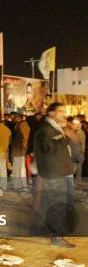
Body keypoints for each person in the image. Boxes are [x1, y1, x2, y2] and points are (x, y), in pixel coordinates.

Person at [33, 103, 76, 248]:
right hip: (54, 172)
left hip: (59, 171)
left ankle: (50, 231)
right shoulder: (45, 129)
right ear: (51, 113)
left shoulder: (53, 127)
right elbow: (48, 149)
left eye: (64, 111)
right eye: (60, 111)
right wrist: (67, 137)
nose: (63, 114)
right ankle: (57, 237)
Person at [10, 112, 30, 190]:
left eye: (13, 117)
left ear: (17, 118)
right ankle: (21, 184)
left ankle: (19, 185)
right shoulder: (20, 124)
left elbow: (25, 137)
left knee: (19, 168)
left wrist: (25, 148)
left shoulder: (22, 125)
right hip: (19, 149)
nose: (12, 119)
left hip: (19, 149)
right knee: (20, 168)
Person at [65, 117, 85, 181]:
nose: (72, 126)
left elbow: (78, 143)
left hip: (77, 152)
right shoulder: (77, 132)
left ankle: (76, 181)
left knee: (76, 167)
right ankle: (76, 181)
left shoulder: (79, 132)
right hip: (78, 152)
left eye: (73, 124)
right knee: (77, 167)